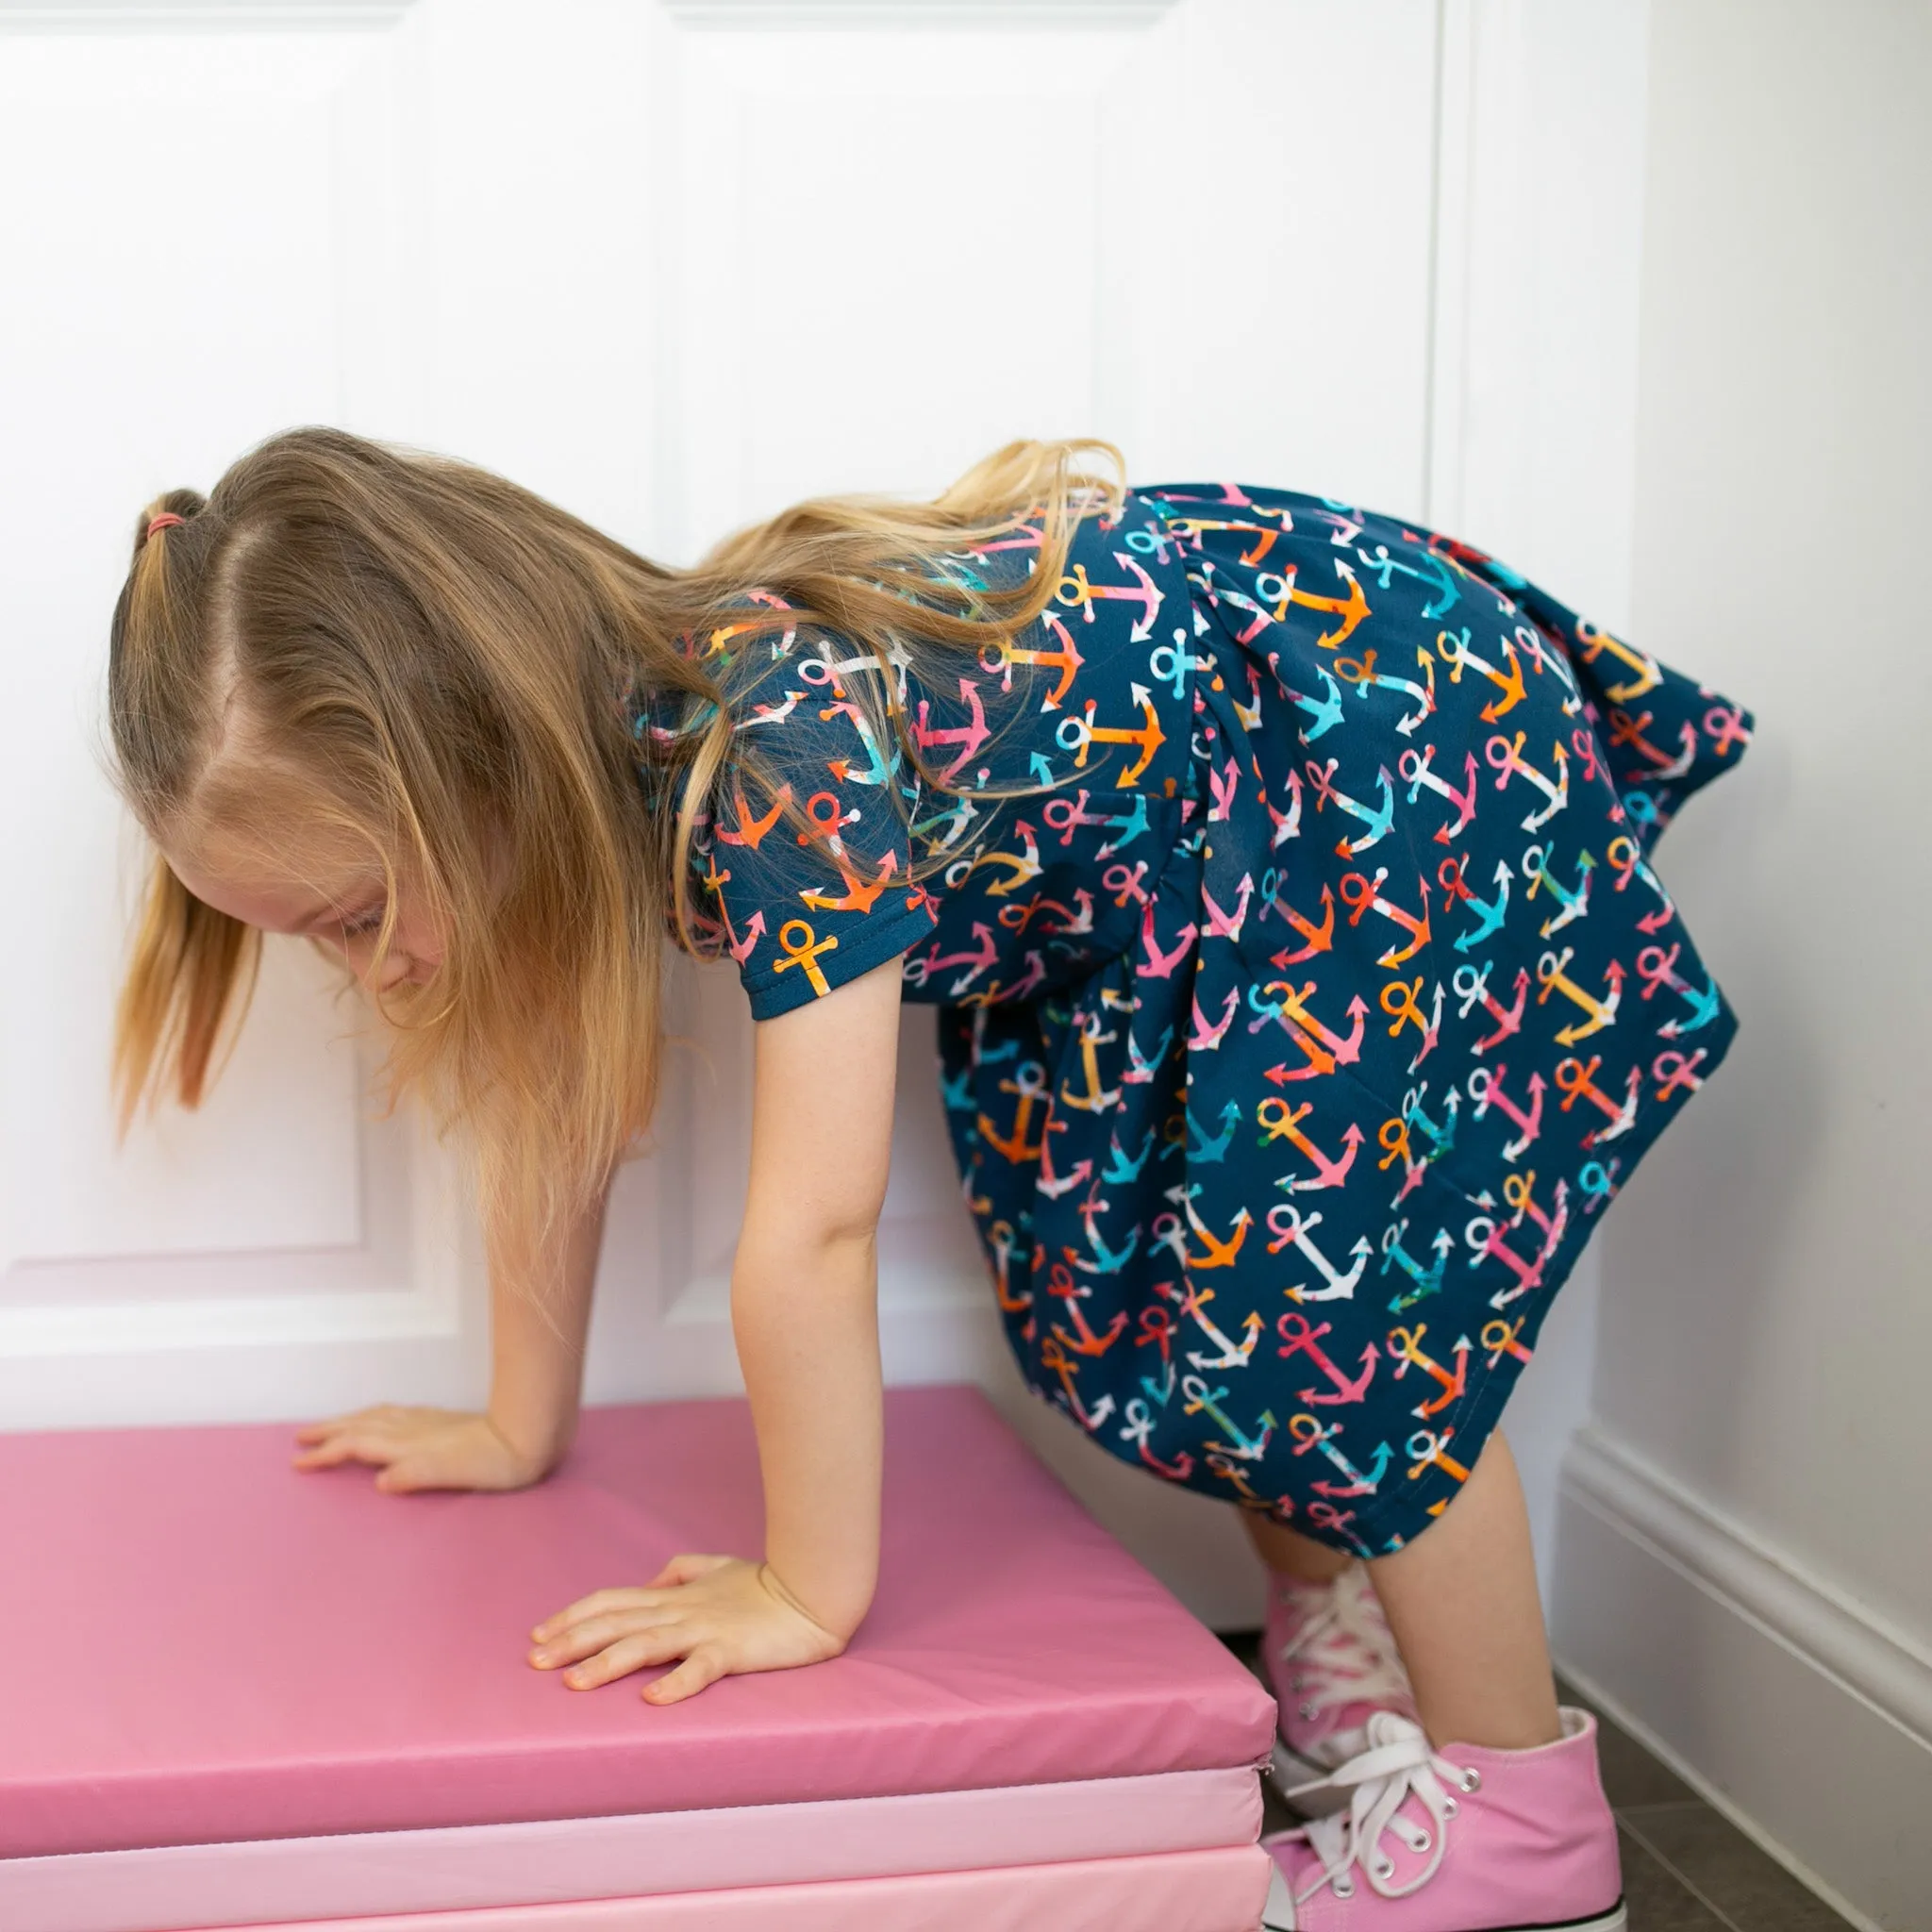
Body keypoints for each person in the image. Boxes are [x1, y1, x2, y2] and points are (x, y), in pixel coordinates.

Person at [108, 428, 1745, 1928]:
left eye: (350, 917)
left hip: (1371, 749)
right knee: (1185, 1252)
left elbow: (810, 1234)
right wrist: (513, 1426)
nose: (369, 974)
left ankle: (1528, 1821)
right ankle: (1340, 1613)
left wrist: (804, 1592)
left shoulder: (775, 752)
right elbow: (555, 1104)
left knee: (1346, 1318)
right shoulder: (603, 750)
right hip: (1177, 861)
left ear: (467, 753)